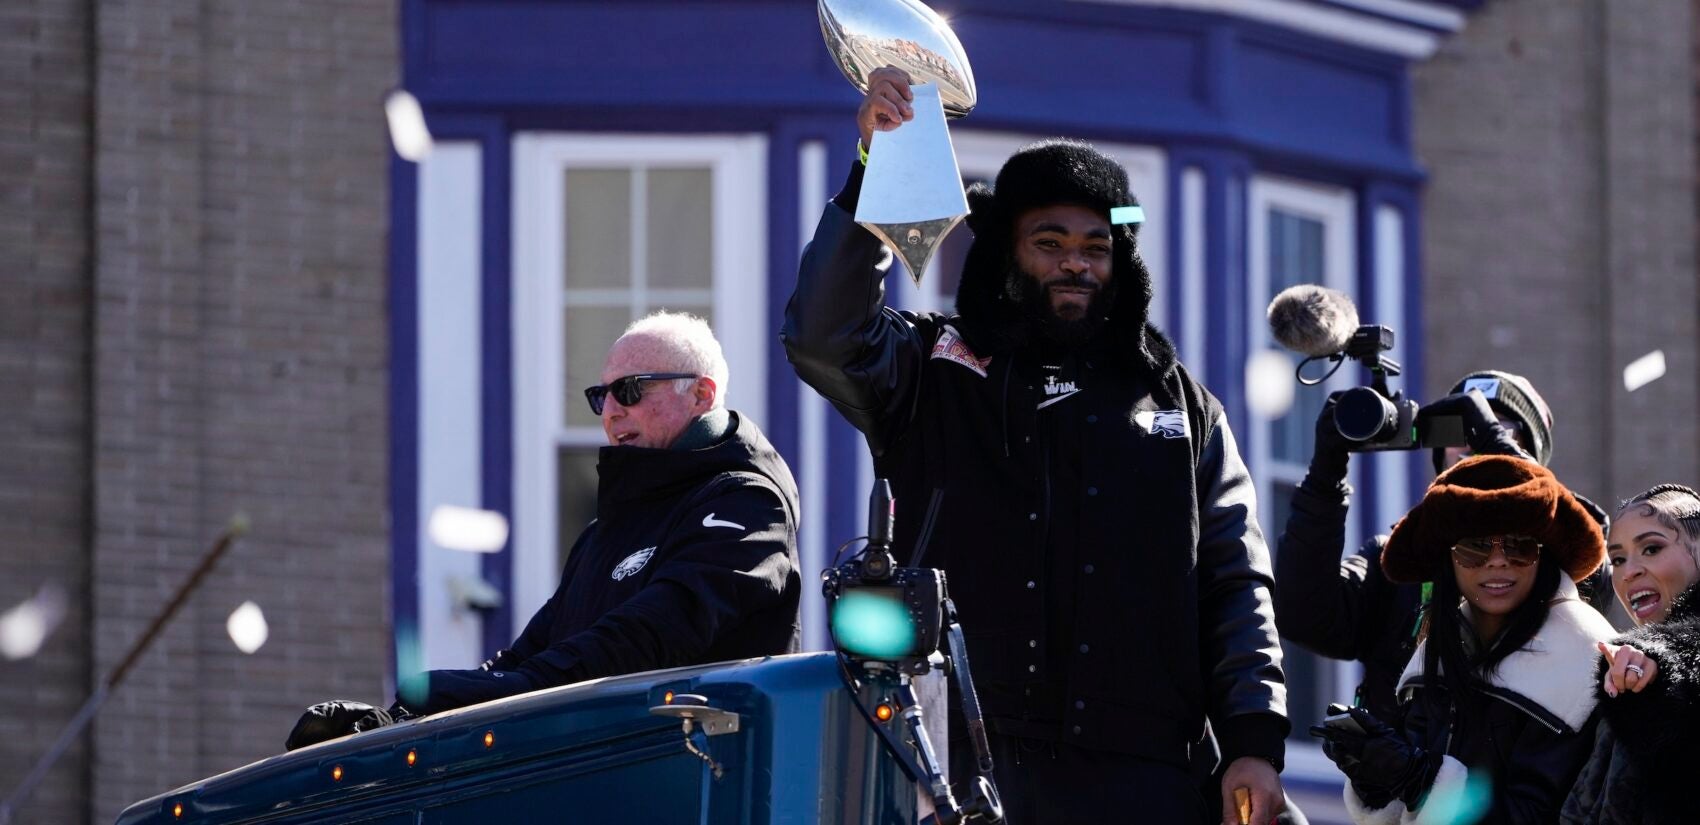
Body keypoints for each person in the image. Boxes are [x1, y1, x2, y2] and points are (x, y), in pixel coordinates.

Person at [783, 66, 1287, 825]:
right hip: (957, 766)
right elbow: (823, 335)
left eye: (1095, 245)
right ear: (1004, 253)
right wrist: (872, 172)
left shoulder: (1185, 406)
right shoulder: (932, 369)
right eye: (1048, 242)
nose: (1075, 263)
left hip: (1148, 775)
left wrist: (1254, 738)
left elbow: (1234, 582)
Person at [286, 312, 802, 749]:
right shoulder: (604, 534)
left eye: (631, 390)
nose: (613, 409)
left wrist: (515, 688)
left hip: (705, 781)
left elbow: (655, 633)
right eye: (602, 396)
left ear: (701, 395)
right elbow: (525, 657)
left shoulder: (748, 502)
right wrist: (397, 722)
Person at [1274, 370, 1624, 724]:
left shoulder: (1567, 545)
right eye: (1456, 430)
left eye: (1498, 428)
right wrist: (1324, 477)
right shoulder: (1401, 560)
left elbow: (1594, 583)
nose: (1470, 444)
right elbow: (1303, 615)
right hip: (1405, 776)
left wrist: (1501, 460)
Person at [1313, 455, 1613, 824]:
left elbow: (1543, 816)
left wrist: (1420, 780)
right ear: (1448, 561)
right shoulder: (1437, 647)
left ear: (1544, 556)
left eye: (1520, 546)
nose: (1498, 561)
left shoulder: (1588, 654)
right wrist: (1373, 776)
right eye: (1475, 548)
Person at [1562, 484, 1700, 823]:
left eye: (1651, 548)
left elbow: (1685, 651)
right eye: (1618, 559)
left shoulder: (1650, 663)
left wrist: (1656, 666)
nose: (1629, 571)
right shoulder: (1620, 666)